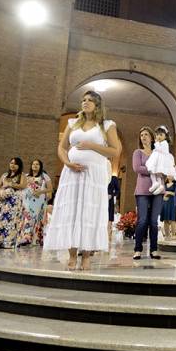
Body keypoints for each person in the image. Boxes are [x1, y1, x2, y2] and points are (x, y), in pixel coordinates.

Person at [44, 91, 121, 270]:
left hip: (94, 175)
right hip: (72, 174)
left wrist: (91, 145)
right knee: (71, 211)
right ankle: (72, 254)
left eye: (90, 100)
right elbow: (62, 147)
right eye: (83, 100)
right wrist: (67, 163)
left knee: (89, 213)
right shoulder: (73, 123)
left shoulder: (107, 125)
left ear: (97, 105)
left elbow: (115, 151)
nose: (85, 102)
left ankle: (86, 256)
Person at [132, 126, 163, 260]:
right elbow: (137, 168)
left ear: (151, 138)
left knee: (154, 222)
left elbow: (164, 168)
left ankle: (154, 250)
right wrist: (153, 170)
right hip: (142, 190)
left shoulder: (158, 153)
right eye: (141, 135)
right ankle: (138, 249)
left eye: (146, 134)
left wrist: (161, 170)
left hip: (158, 190)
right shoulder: (138, 152)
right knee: (142, 220)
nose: (143, 137)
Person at [0, 157, 28, 249]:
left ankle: (9, 242)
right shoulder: (4, 175)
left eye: (15, 164)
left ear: (19, 166)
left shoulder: (21, 175)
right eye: (11, 163)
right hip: (3, 203)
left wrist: (11, 184)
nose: (13, 165)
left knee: (12, 223)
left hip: (14, 203)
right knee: (2, 221)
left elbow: (23, 186)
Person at [18, 159, 53, 246]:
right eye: (33, 164)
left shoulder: (44, 176)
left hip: (39, 201)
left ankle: (36, 239)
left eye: (37, 164)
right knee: (27, 218)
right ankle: (25, 238)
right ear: (31, 166)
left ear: (40, 166)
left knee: (37, 220)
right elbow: (21, 187)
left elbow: (50, 189)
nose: (35, 166)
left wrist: (41, 192)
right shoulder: (26, 176)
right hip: (27, 201)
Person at [145, 125, 174, 195]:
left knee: (154, 172)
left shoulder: (165, 143)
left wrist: (156, 143)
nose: (159, 137)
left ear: (165, 136)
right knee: (154, 172)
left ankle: (157, 183)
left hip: (159, 160)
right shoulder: (160, 143)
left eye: (161, 135)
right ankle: (157, 184)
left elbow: (160, 149)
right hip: (156, 158)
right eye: (157, 135)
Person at [107, 174, 120, 239]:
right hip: (100, 198)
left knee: (109, 216)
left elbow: (118, 190)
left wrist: (112, 195)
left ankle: (108, 234)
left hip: (110, 200)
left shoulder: (114, 178)